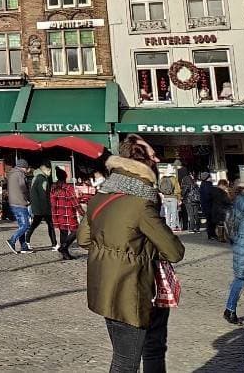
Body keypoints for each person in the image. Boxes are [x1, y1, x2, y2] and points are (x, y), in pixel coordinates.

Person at [77, 136, 184, 373]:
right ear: (145, 166)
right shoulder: (142, 204)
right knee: (129, 360)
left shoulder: (100, 198)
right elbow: (174, 251)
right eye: (153, 156)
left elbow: (83, 239)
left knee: (125, 354)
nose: (157, 159)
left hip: (104, 288)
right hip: (132, 290)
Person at [225, 181, 244, 325]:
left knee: (240, 280)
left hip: (243, 246)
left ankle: (229, 310)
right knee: (241, 280)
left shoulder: (240, 200)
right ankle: (229, 310)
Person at [50, 167, 80, 260]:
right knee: (76, 231)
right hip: (69, 213)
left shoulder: (54, 188)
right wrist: (82, 212)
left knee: (63, 233)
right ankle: (64, 247)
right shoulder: (68, 187)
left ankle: (65, 254)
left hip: (58, 214)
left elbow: (52, 202)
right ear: (65, 177)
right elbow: (74, 201)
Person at [5, 158, 32, 254]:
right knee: (26, 225)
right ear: (23, 167)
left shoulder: (11, 174)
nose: (26, 170)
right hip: (20, 202)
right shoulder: (20, 174)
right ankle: (12, 240)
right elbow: (23, 187)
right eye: (26, 168)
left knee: (22, 225)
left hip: (13, 202)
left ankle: (24, 246)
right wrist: (28, 197)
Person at [28, 164, 57, 250]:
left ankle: (27, 241)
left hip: (37, 206)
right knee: (50, 225)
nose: (50, 172)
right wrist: (48, 206)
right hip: (44, 207)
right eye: (49, 171)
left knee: (34, 225)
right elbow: (43, 194)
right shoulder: (43, 179)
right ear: (45, 169)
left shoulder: (35, 178)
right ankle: (54, 244)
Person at [180, 168, 201, 233]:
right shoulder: (195, 181)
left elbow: (184, 191)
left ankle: (192, 228)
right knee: (196, 214)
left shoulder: (185, 179)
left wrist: (182, 195)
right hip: (196, 200)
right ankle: (197, 228)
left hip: (188, 200)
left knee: (190, 214)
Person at [200, 172, 217, 240]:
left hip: (205, 206)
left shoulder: (203, 185)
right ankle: (212, 235)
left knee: (210, 221)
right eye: (210, 177)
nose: (211, 178)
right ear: (207, 178)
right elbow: (208, 196)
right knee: (211, 221)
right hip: (209, 206)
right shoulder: (207, 185)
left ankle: (211, 235)